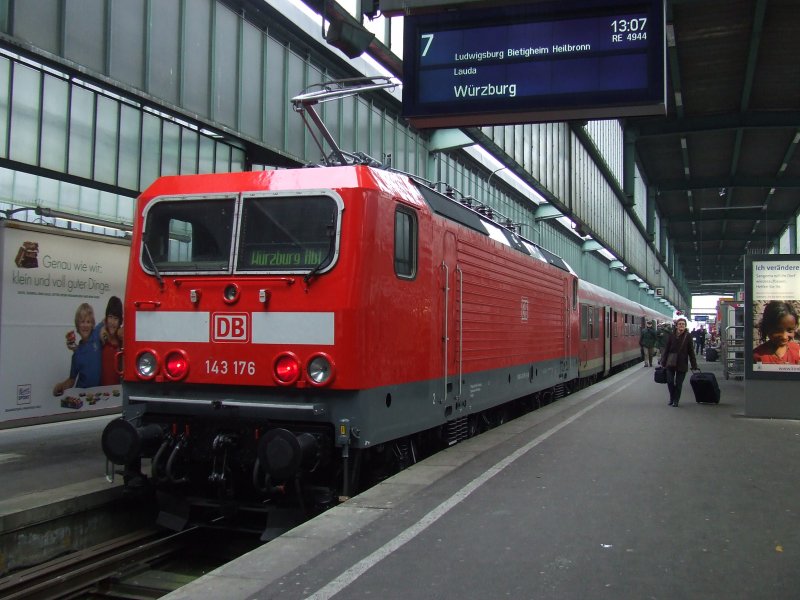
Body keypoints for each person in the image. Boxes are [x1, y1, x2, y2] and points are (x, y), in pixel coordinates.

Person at [53, 303, 102, 395]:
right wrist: (60, 386)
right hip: (82, 396)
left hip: (99, 394)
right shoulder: (77, 353)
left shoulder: (97, 334)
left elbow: (107, 319)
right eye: (82, 322)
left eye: (88, 322)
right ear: (77, 325)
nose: (85, 325)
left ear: (92, 324)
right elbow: (71, 380)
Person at [659, 317, 698, 407]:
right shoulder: (671, 336)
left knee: (679, 383)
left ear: (685, 326)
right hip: (671, 362)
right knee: (670, 381)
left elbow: (691, 351)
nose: (681, 326)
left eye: (683, 324)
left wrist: (694, 364)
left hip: (682, 363)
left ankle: (676, 400)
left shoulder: (688, 336)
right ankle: (672, 398)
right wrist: (663, 361)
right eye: (680, 324)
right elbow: (667, 349)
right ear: (676, 326)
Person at [752, 300, 800, 365]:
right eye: (778, 330)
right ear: (767, 328)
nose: (784, 337)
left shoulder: (797, 350)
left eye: (790, 330)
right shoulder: (756, 356)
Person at [99, 296, 124, 385]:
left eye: (116, 318)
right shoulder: (101, 337)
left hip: (118, 390)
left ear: (120, 321)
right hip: (102, 391)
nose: (112, 322)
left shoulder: (122, 341)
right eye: (110, 317)